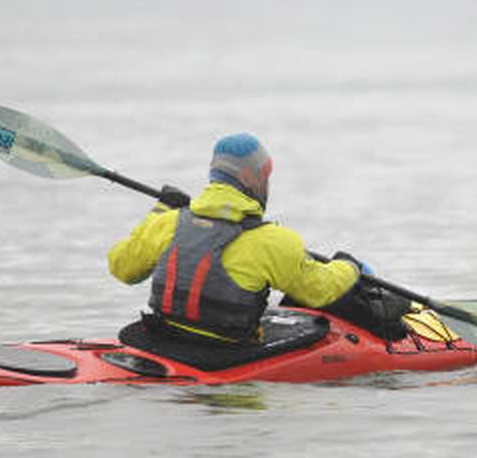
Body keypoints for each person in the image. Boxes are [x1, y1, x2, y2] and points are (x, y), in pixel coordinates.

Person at [108, 133, 409, 353]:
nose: (267, 184)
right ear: (250, 178)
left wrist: (160, 210)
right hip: (225, 357)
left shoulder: (168, 222)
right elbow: (320, 291)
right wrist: (349, 266)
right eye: (265, 176)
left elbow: (122, 268)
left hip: (163, 339)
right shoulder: (273, 242)